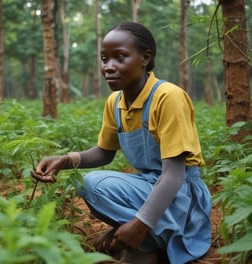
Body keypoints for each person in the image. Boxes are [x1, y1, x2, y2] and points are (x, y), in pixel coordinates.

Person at [32, 22, 212, 264]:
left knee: (95, 185)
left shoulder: (168, 97)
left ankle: (145, 239)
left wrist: (141, 224)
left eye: (120, 57)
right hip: (147, 185)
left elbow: (173, 176)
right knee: (91, 186)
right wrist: (65, 161)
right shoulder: (115, 101)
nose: (109, 67)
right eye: (104, 59)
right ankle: (148, 240)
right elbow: (104, 153)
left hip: (181, 196)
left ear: (145, 58)